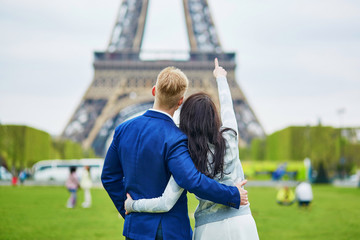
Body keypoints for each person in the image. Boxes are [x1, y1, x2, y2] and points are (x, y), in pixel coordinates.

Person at [101, 65, 247, 240]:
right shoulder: (176, 138)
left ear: (154, 91)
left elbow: (109, 177)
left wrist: (127, 209)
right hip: (169, 231)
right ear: (180, 101)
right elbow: (191, 180)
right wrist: (232, 194)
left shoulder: (122, 130)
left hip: (135, 229)